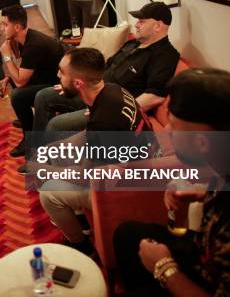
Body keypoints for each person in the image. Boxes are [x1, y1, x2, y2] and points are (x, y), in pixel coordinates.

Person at [114, 68, 230, 296]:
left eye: (174, 127)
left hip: (212, 278)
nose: (168, 131)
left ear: (201, 142)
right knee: (128, 234)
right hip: (205, 250)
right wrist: (203, 195)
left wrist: (165, 268)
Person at [38, 48, 155, 255]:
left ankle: (80, 245)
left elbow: (106, 176)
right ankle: (81, 218)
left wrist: (61, 173)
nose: (58, 75)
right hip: (139, 160)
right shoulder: (111, 90)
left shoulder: (105, 121)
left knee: (47, 192)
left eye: (62, 72)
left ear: (78, 83)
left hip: (130, 188)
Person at [32, 1, 180, 132]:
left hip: (109, 107)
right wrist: (73, 82)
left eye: (142, 21)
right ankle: (36, 150)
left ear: (158, 26)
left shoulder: (165, 55)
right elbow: (105, 67)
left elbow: (155, 96)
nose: (136, 24)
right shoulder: (133, 43)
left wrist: (105, 110)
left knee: (55, 125)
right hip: (91, 89)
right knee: (43, 96)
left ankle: (46, 158)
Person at [0, 5, 63, 157]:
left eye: (5, 24)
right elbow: (24, 71)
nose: (2, 29)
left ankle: (30, 139)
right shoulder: (23, 38)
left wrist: (6, 56)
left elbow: (20, 82)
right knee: (15, 83)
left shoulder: (34, 45)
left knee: (17, 95)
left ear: (17, 27)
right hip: (45, 76)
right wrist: (7, 79)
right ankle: (29, 123)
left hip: (59, 87)